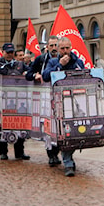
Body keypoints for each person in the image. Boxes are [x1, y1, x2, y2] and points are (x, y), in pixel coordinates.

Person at [42, 36, 85, 177]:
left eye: (67, 48)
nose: (65, 51)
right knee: (64, 132)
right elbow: (46, 75)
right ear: (58, 49)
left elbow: (84, 75)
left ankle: (68, 158)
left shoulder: (77, 61)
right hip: (59, 104)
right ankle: (68, 162)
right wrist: (59, 65)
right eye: (62, 48)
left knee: (74, 132)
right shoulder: (53, 61)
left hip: (75, 103)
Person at [0, 42, 31, 160]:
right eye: (7, 52)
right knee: (2, 126)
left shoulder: (19, 64)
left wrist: (26, 73)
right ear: (3, 52)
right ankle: (3, 152)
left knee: (19, 125)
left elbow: (30, 72)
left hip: (18, 100)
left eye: (11, 52)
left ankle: (19, 152)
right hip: (1, 100)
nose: (9, 54)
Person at [25, 35, 61, 167]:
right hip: (44, 99)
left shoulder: (63, 59)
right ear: (47, 47)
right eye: (51, 46)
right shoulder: (40, 60)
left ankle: (57, 151)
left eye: (55, 45)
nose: (53, 48)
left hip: (59, 99)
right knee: (47, 126)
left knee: (58, 125)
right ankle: (51, 155)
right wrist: (36, 75)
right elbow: (28, 74)